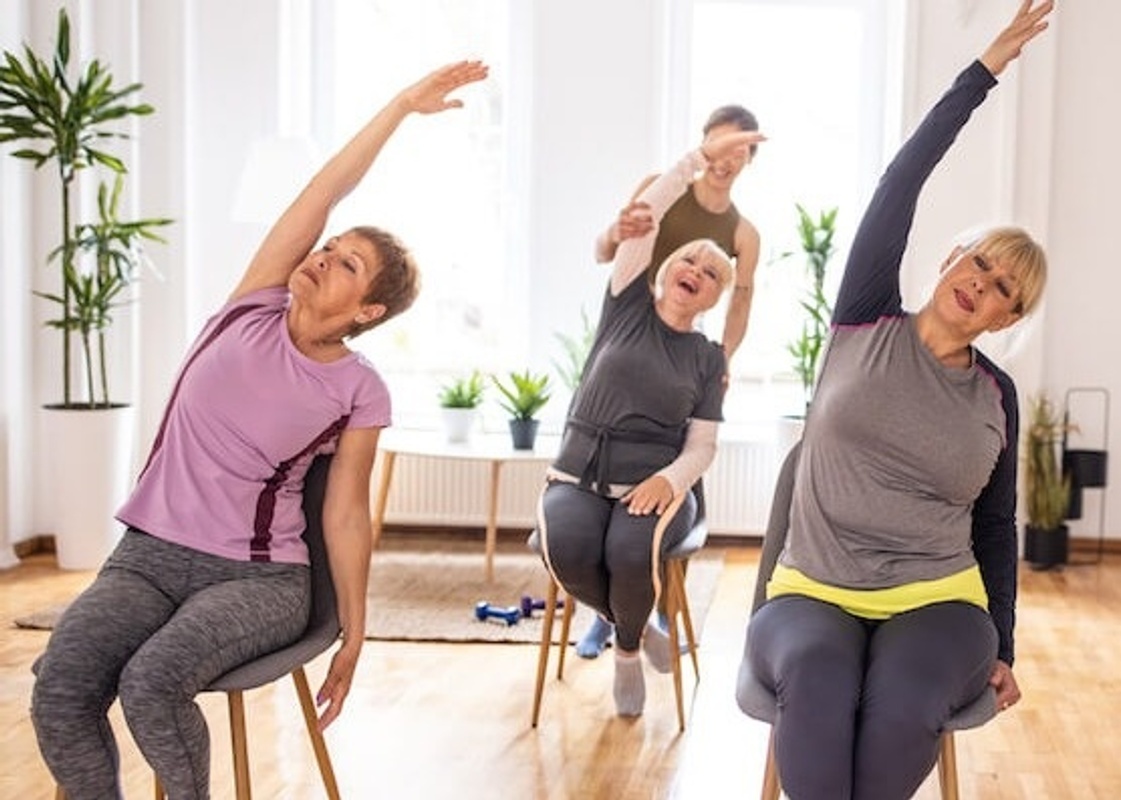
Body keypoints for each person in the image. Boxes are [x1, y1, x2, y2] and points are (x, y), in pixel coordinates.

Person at [29, 61, 488, 798]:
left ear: (368, 310)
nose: (324, 259)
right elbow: (326, 187)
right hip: (145, 556)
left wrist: (355, 630)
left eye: (348, 266)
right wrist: (400, 105)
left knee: (152, 684)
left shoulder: (358, 390)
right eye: (330, 247)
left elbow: (343, 514)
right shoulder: (252, 305)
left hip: (256, 579)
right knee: (61, 688)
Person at [741, 2, 1051, 797]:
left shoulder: (996, 396)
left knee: (902, 704)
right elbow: (901, 179)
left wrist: (1004, 644)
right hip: (812, 586)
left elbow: (993, 524)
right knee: (818, 685)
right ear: (952, 258)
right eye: (979, 263)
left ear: (1008, 318)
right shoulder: (863, 316)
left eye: (1003, 289)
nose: (981, 283)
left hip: (938, 600)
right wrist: (984, 72)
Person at [540, 127, 765, 717]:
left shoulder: (708, 357)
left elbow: (703, 445)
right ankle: (633, 627)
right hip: (579, 471)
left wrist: (671, 481)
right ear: (666, 269)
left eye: (713, 272)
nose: (699, 267)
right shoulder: (626, 300)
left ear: (714, 296)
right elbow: (651, 210)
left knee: (630, 555)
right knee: (567, 549)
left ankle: (626, 652)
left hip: (657, 482)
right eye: (689, 258)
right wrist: (699, 159)